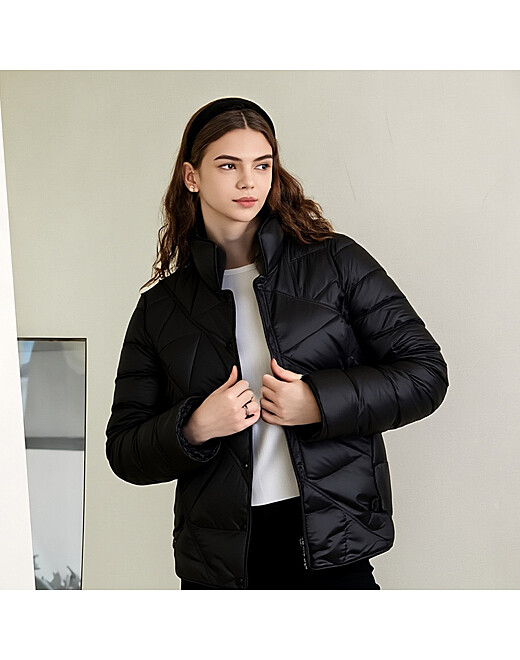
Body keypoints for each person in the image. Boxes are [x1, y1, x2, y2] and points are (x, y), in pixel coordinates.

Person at [105, 97, 449, 590]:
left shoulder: (335, 262)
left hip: (331, 547)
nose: (249, 182)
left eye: (262, 165)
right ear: (192, 176)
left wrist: (317, 402)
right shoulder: (161, 308)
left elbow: (424, 373)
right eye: (228, 165)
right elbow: (124, 449)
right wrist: (195, 426)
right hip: (221, 567)